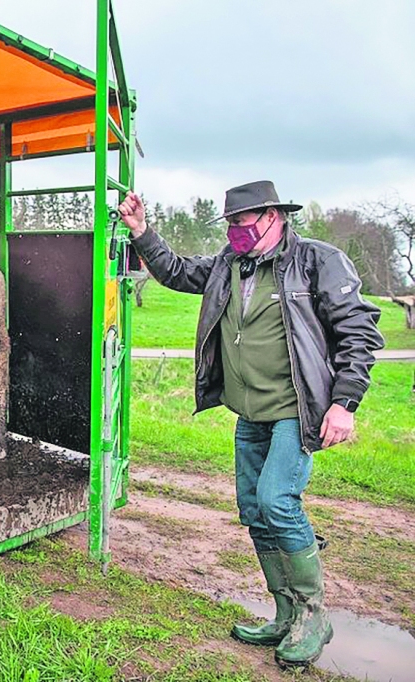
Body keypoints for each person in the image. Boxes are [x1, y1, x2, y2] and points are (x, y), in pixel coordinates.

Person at [119, 180, 384, 668]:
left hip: (294, 409)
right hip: (250, 411)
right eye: (230, 226)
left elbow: (359, 332)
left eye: (241, 224)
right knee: (253, 509)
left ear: (273, 217)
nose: (235, 233)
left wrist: (345, 403)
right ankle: (284, 613)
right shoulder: (228, 263)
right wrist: (142, 231)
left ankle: (313, 614)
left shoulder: (316, 261)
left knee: (276, 501)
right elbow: (177, 272)